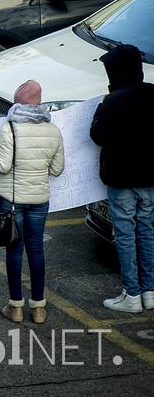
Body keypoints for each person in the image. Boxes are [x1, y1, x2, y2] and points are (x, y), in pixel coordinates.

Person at [0, 79, 64, 323]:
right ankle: (38, 308)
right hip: (39, 200)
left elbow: (2, 165)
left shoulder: (10, 128)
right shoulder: (53, 130)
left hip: (12, 200)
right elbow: (57, 169)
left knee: (14, 251)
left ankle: (15, 306)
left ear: (17, 103)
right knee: (36, 251)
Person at [90, 44, 154, 313]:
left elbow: (98, 135)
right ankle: (150, 292)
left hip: (121, 180)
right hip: (150, 178)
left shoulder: (114, 101)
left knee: (126, 236)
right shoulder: (152, 93)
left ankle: (131, 294)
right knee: (148, 232)